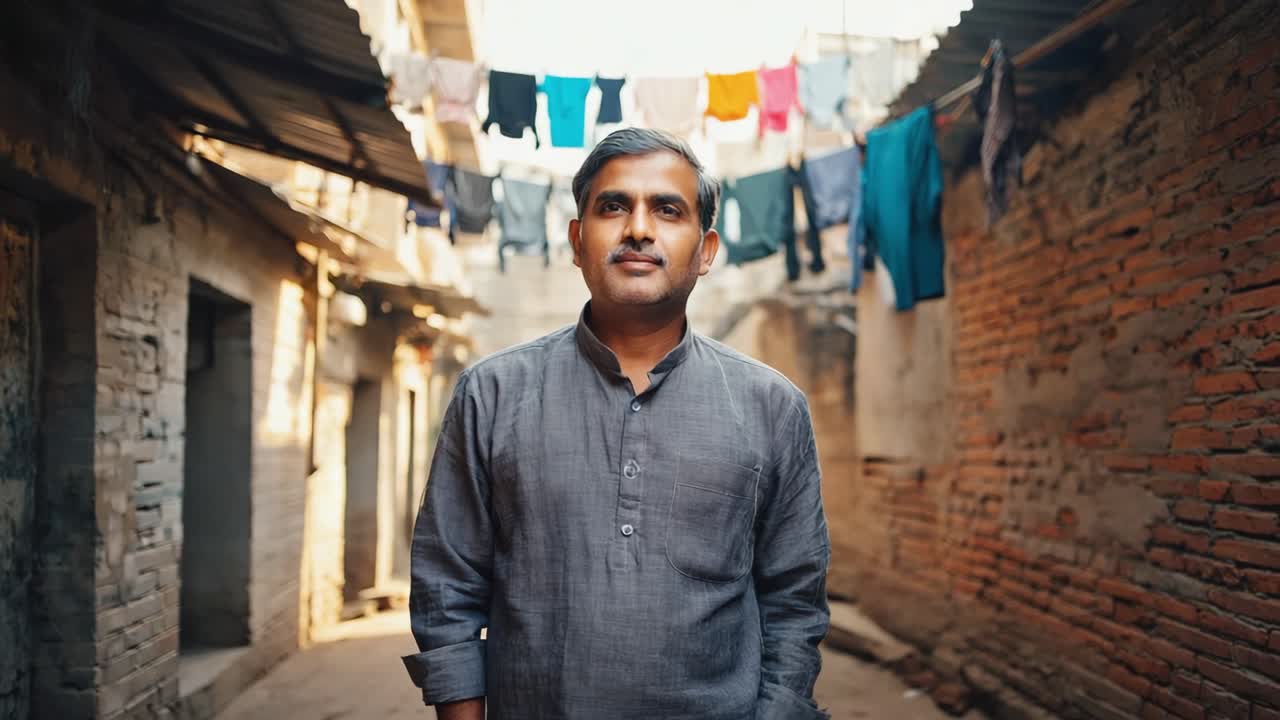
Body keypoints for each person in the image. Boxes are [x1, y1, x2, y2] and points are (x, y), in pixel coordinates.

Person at [402, 128, 831, 720]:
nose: (638, 228)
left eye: (667, 209)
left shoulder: (771, 407)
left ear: (705, 251)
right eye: (613, 206)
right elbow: (446, 588)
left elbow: (794, 602)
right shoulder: (493, 394)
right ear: (578, 241)